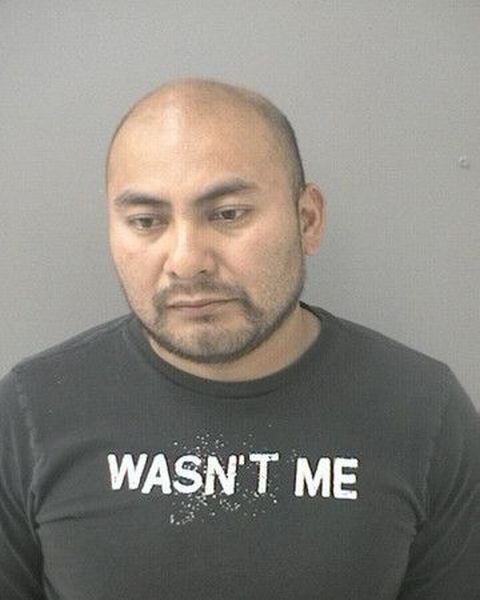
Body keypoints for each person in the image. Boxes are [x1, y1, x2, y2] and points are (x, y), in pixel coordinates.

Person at [0, 78, 478, 600]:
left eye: (227, 214)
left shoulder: (422, 410)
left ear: (307, 220)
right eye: (147, 221)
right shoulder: (31, 410)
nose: (186, 262)